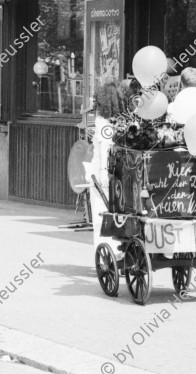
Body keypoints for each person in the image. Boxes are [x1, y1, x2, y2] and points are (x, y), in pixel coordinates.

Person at [86, 82, 125, 258]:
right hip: (121, 174)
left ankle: (105, 255)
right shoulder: (124, 120)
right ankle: (121, 251)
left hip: (102, 174)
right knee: (120, 214)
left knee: (101, 215)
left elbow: (103, 148)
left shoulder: (102, 121)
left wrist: (103, 174)